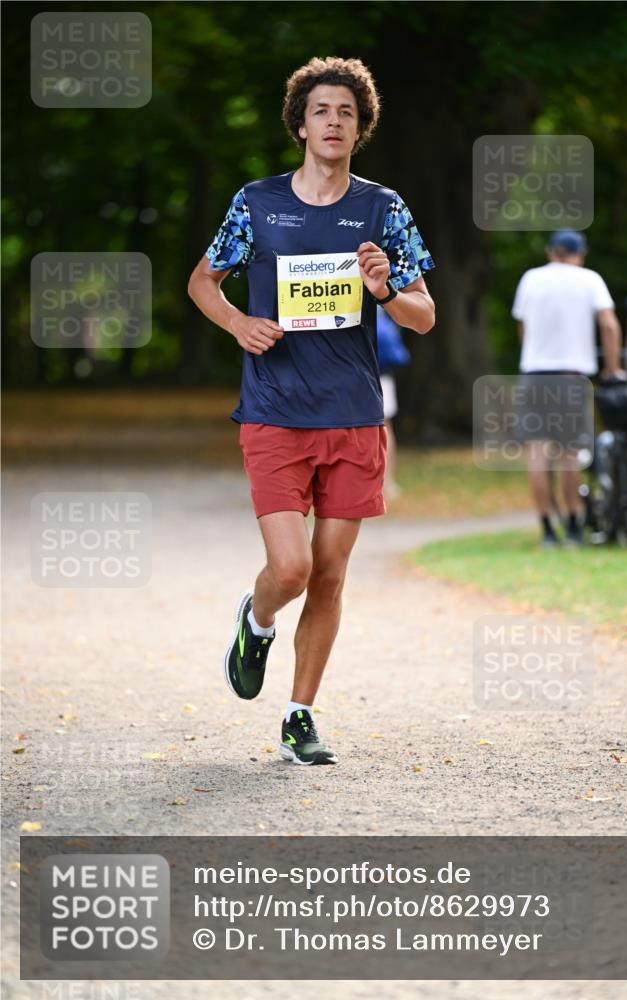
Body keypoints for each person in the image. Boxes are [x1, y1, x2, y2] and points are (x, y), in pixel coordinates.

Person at [188, 56, 435, 765]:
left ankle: (299, 715)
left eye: (346, 113)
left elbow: (423, 317)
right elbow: (203, 281)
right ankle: (257, 619)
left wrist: (386, 289)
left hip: (353, 414)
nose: (333, 122)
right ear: (300, 125)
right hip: (273, 410)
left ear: (360, 130)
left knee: (329, 574)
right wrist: (238, 324)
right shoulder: (256, 203)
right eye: (321, 110)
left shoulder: (383, 209)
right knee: (291, 570)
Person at [511, 229, 624, 548]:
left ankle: (547, 529)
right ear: (579, 254)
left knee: (537, 452)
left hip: (534, 375)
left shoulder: (531, 278)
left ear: (551, 252)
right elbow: (610, 324)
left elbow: (523, 327)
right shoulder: (589, 279)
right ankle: (574, 526)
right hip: (571, 377)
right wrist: (612, 368)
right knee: (569, 454)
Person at [376, 305, 410, 500]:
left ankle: (387, 481)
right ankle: (387, 482)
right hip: (381, 372)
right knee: (385, 427)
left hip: (378, 372)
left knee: (384, 427)